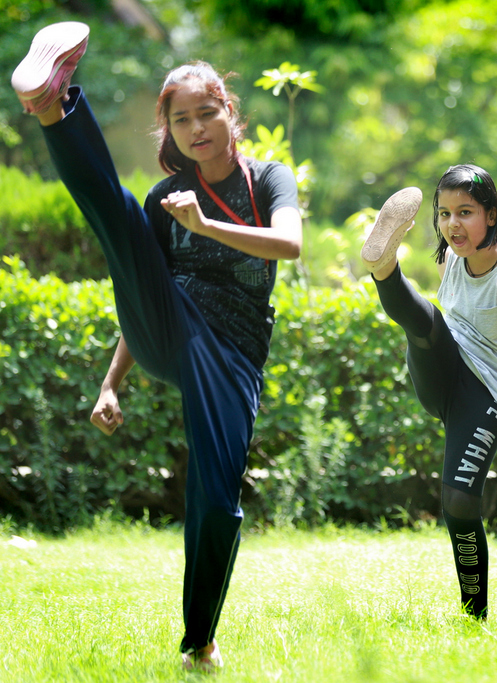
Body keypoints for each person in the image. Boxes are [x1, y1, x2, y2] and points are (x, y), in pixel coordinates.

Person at [11, 23, 302, 670]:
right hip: (167, 330)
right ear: (167, 130)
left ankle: (200, 639)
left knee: (218, 499)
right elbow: (143, 284)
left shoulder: (270, 179)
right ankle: (52, 105)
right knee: (118, 218)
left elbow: (290, 244)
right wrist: (110, 380)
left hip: (230, 354)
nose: (197, 127)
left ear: (232, 115)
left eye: (208, 113)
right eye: (181, 118)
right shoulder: (164, 197)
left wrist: (209, 225)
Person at [360, 164, 497, 619]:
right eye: (443, 214)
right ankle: (383, 266)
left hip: (484, 394)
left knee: (459, 503)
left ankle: (474, 613)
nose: (452, 225)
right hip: (441, 366)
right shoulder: (450, 258)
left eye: (465, 212)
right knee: (424, 326)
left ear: (491, 214)